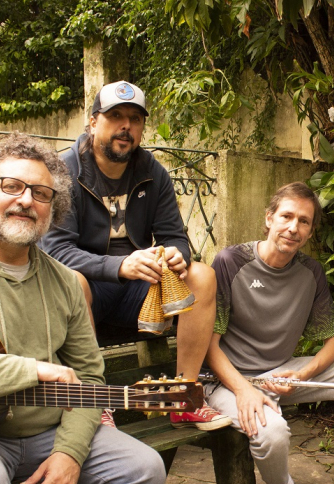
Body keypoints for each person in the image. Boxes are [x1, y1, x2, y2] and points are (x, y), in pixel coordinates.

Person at [0, 133, 166, 484]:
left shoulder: (65, 281)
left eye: (41, 193)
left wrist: (69, 452)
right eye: (11, 186)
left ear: (53, 207)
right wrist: (29, 370)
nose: (26, 200)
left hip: (44, 432)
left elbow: (89, 378)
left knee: (142, 469)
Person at [41, 81, 229, 430]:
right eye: (115, 117)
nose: (126, 126)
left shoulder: (152, 172)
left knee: (202, 275)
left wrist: (177, 255)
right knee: (73, 280)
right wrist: (120, 265)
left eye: (135, 119)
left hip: (138, 293)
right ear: (94, 122)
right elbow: (56, 251)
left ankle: (182, 395)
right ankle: (93, 401)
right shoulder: (65, 171)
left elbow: (175, 235)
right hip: (85, 292)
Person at [203, 182, 334, 484]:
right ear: (269, 218)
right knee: (274, 434)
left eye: (304, 221)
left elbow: (333, 343)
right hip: (229, 381)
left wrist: (302, 373)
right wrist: (243, 390)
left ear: (310, 232)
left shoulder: (311, 272)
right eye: (286, 216)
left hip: (282, 373)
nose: (293, 228)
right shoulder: (230, 262)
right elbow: (209, 347)